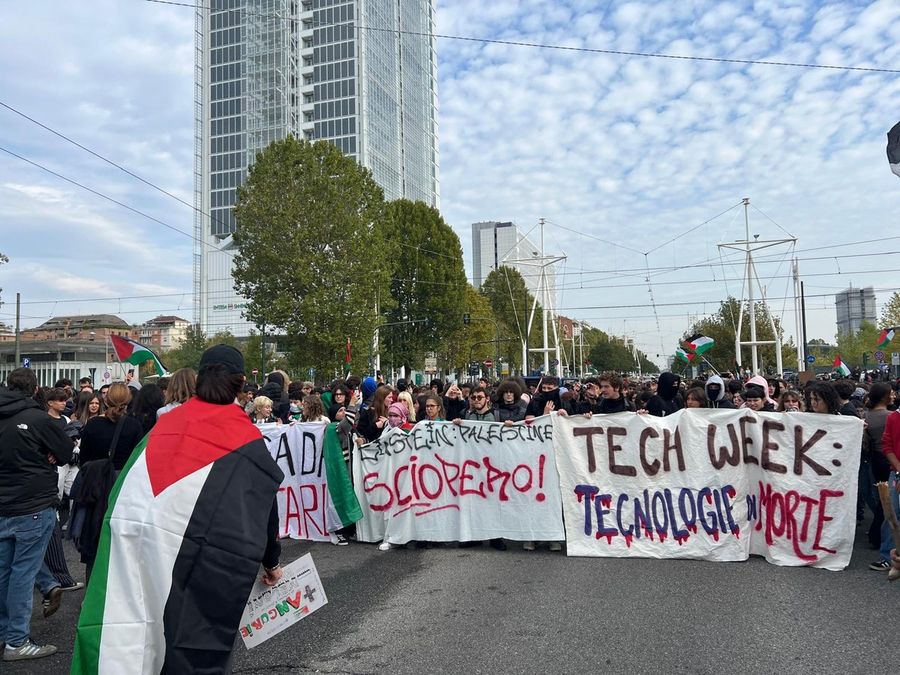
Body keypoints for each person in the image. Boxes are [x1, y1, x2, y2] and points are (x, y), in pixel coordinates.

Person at [71, 345, 284, 674]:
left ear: (199, 380)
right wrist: (271, 561)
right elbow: (263, 509)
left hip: (138, 547)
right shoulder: (247, 440)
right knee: (189, 641)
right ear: (241, 385)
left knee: (134, 631)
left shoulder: (162, 428)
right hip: (201, 558)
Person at [0, 367, 74, 662]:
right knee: (22, 575)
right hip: (33, 505)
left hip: (4, 504)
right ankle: (17, 640)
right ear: (35, 390)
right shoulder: (38, 419)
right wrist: (49, 453)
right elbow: (67, 452)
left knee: (5, 573)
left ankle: (8, 633)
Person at [865, 382, 894, 567]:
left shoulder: (867, 416)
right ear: (884, 396)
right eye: (890, 393)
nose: (893, 396)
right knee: (889, 503)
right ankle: (878, 535)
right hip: (888, 461)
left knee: (883, 500)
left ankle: (875, 534)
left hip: (876, 460)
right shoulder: (890, 416)